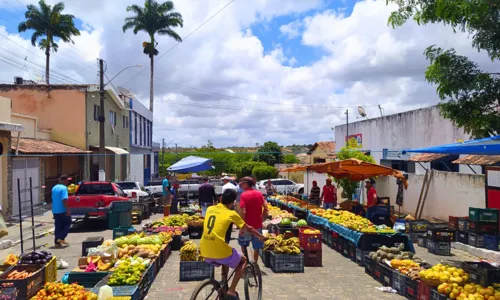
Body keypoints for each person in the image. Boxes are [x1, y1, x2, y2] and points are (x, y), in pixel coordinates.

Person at [201, 189, 266, 300]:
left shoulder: (210, 209)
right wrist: (260, 236)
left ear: (221, 199)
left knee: (227, 253)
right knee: (243, 260)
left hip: (204, 249)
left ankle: (223, 283)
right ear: (233, 202)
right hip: (219, 249)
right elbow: (248, 228)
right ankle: (231, 291)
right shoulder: (231, 213)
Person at [238, 176, 269, 263]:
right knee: (256, 246)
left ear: (246, 184)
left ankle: (246, 263)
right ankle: (255, 263)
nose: (241, 185)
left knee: (244, 245)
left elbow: (243, 211)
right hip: (257, 225)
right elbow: (266, 207)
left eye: (242, 184)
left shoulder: (243, 195)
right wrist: (262, 218)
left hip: (246, 226)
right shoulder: (259, 194)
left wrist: (241, 225)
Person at [52, 174, 71, 248]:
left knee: (58, 226)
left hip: (55, 210)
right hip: (63, 210)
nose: (67, 182)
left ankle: (57, 242)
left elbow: (53, 199)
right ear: (65, 180)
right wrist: (68, 209)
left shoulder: (54, 188)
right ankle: (61, 238)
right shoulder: (64, 188)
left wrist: (53, 211)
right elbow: (64, 199)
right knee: (68, 224)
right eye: (67, 180)